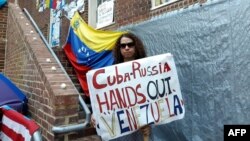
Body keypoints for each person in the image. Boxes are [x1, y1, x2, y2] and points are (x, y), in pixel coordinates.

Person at [91, 32, 153, 141]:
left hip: (141, 122)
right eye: (123, 46)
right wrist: (95, 113)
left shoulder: (146, 69)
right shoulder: (112, 72)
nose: (127, 48)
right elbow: (105, 96)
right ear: (119, 49)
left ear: (136, 46)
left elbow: (153, 94)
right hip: (121, 124)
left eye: (130, 44)